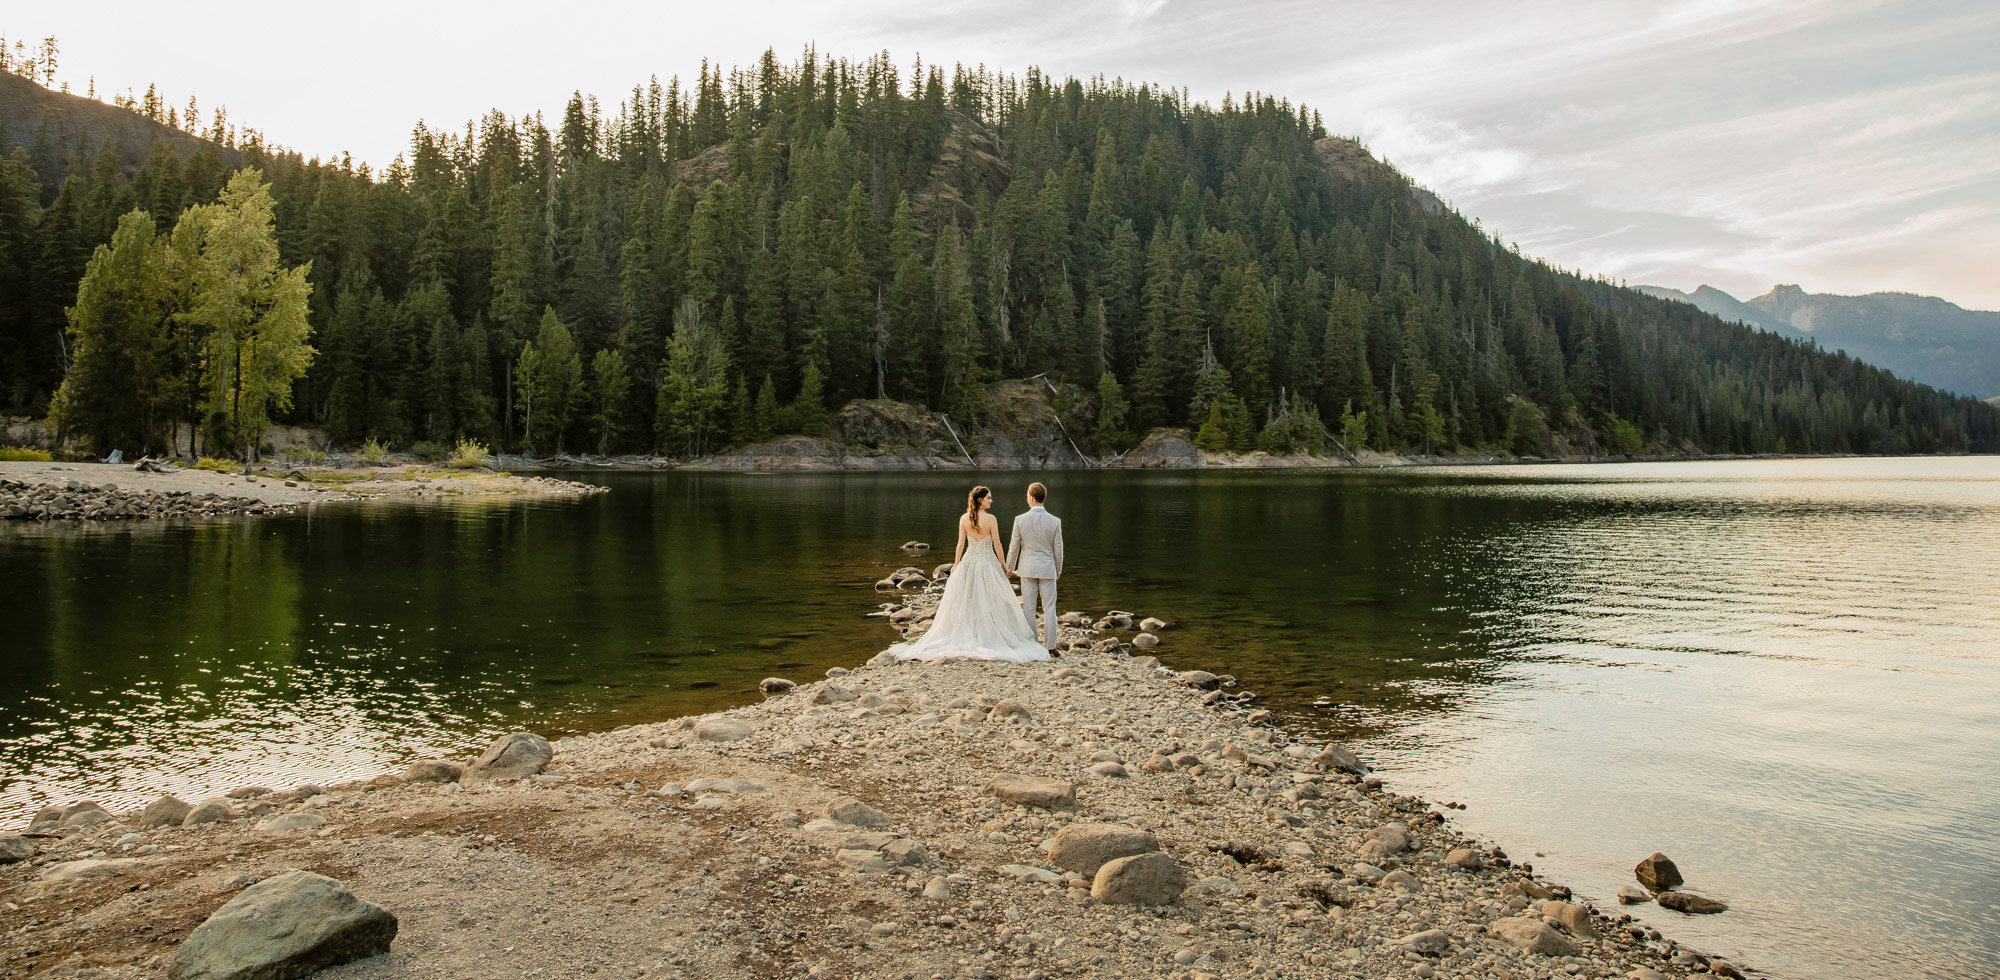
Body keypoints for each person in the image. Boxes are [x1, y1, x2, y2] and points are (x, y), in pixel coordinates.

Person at [887, 486, 1050, 663]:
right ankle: (988, 631)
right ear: (980, 500)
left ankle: (973, 630)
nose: (991, 500)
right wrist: (1004, 566)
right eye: (989, 498)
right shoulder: (991, 519)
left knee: (969, 598)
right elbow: (997, 545)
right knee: (991, 598)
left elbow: (960, 545)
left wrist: (957, 564)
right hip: (988, 563)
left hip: (969, 562)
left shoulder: (964, 518)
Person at [1007, 482, 1064, 658]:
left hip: (1027, 568)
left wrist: (1009, 567)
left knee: (1029, 609)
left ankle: (1033, 644)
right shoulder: (1055, 521)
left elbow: (1014, 546)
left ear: (1031, 497)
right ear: (1043, 498)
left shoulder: (1020, 520)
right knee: (1049, 609)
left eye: (1027, 495)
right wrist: (1058, 569)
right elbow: (1058, 549)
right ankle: (1051, 646)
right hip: (1047, 569)